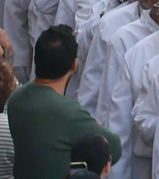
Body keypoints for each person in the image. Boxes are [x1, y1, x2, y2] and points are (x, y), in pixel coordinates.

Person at [7, 25, 120, 178]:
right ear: (74, 65)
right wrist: (96, 125)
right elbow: (114, 148)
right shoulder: (69, 112)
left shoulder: (16, 99)